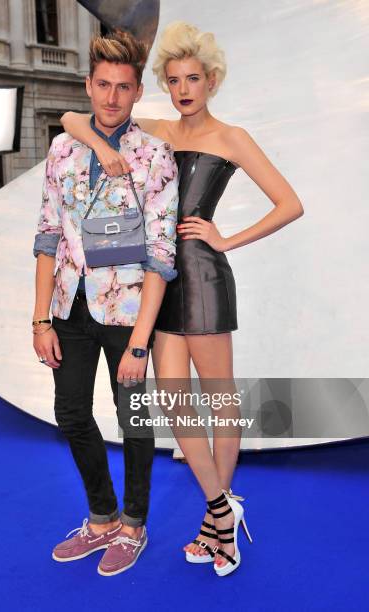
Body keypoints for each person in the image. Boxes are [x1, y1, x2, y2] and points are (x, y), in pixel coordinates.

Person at [61, 21, 304, 576]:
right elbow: (72, 120)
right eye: (173, 80)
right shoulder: (156, 130)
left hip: (206, 276)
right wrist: (103, 143)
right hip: (162, 280)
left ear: (211, 81)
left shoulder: (232, 138)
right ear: (165, 86)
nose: (184, 89)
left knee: (219, 402)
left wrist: (226, 238)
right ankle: (222, 509)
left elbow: (289, 203)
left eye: (193, 78)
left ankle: (216, 520)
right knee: (174, 402)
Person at [32, 29, 179, 577]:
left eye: (123, 87)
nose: (112, 97)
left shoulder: (154, 155)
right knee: (70, 412)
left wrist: (141, 342)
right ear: (88, 86)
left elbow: (162, 252)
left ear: (138, 91)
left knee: (133, 418)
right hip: (69, 306)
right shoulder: (63, 148)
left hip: (129, 312)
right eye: (102, 85)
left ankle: (134, 524)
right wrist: (40, 317)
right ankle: (101, 517)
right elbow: (48, 235)